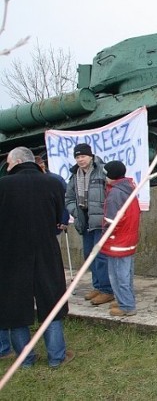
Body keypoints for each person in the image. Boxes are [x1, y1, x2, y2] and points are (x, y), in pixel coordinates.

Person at [0, 147, 74, 367]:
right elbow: (61, 216)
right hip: (46, 250)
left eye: (9, 163)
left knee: (14, 307)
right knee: (51, 302)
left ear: (17, 161)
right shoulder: (52, 182)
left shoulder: (2, 185)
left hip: (11, 254)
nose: (8, 167)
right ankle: (56, 357)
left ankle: (26, 360)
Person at [65, 143, 114, 306]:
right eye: (77, 157)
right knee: (89, 255)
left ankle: (107, 290)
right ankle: (98, 286)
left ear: (90, 156)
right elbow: (69, 198)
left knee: (100, 256)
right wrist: (75, 212)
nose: (80, 160)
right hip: (84, 219)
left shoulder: (102, 170)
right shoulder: (74, 176)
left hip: (100, 220)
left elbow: (113, 191)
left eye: (83, 156)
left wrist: (107, 212)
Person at [101, 161, 141, 317]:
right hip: (128, 238)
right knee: (127, 273)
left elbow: (111, 221)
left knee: (118, 274)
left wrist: (104, 235)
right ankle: (124, 299)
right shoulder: (128, 188)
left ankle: (127, 306)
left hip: (117, 240)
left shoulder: (115, 194)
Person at [35, 156, 70, 235]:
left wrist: (64, 219)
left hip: (54, 220)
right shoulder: (56, 178)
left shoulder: (56, 179)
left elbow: (65, 198)